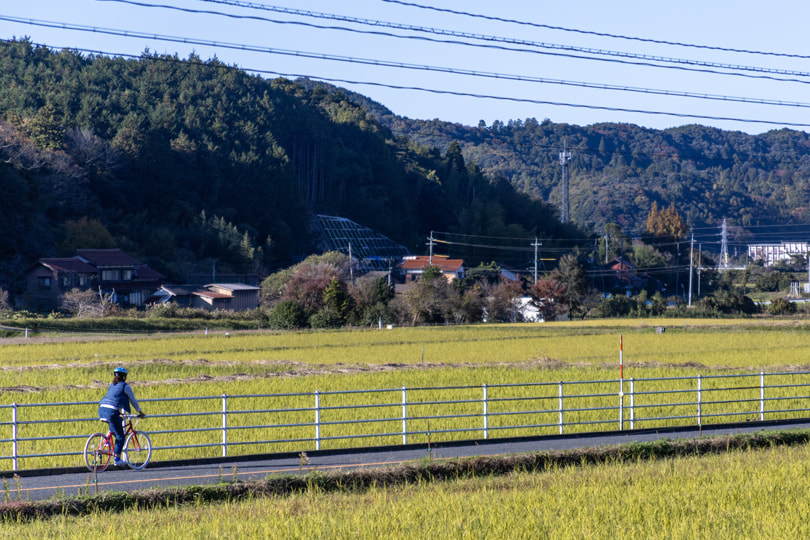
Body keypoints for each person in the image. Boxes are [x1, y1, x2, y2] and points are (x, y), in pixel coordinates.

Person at [98, 366, 145, 466]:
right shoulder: (125, 386)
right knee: (121, 436)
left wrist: (120, 413)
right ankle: (117, 459)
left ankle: (107, 441)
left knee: (115, 424)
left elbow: (113, 399)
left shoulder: (112, 385)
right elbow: (133, 400)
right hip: (111, 411)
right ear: (124, 376)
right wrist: (140, 412)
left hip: (102, 409)